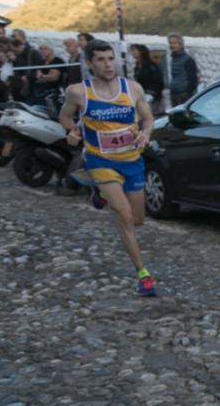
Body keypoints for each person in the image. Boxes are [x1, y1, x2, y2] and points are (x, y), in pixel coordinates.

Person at [59, 40, 158, 297]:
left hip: (132, 161)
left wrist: (145, 134)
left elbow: (148, 119)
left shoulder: (132, 89)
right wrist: (71, 130)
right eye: (101, 59)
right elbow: (65, 116)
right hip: (100, 161)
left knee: (137, 220)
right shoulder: (78, 92)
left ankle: (99, 194)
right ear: (90, 63)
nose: (108, 64)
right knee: (124, 215)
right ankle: (143, 274)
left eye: (110, 58)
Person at [129, 44, 164, 114]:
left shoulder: (151, 66)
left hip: (152, 97)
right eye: (131, 50)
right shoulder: (137, 67)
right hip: (142, 96)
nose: (132, 52)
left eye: (134, 50)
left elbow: (159, 82)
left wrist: (153, 94)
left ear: (140, 51)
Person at [165, 33, 198, 106]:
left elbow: (193, 80)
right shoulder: (174, 58)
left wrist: (186, 91)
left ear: (181, 44)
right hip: (174, 94)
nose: (171, 45)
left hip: (184, 95)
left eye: (174, 43)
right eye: (170, 43)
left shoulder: (188, 60)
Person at [35, 43, 66, 114]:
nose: (42, 51)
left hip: (55, 91)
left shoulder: (57, 61)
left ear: (51, 50)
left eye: (45, 48)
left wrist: (43, 76)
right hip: (42, 91)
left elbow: (54, 77)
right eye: (40, 49)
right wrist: (45, 76)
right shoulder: (41, 62)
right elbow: (38, 76)